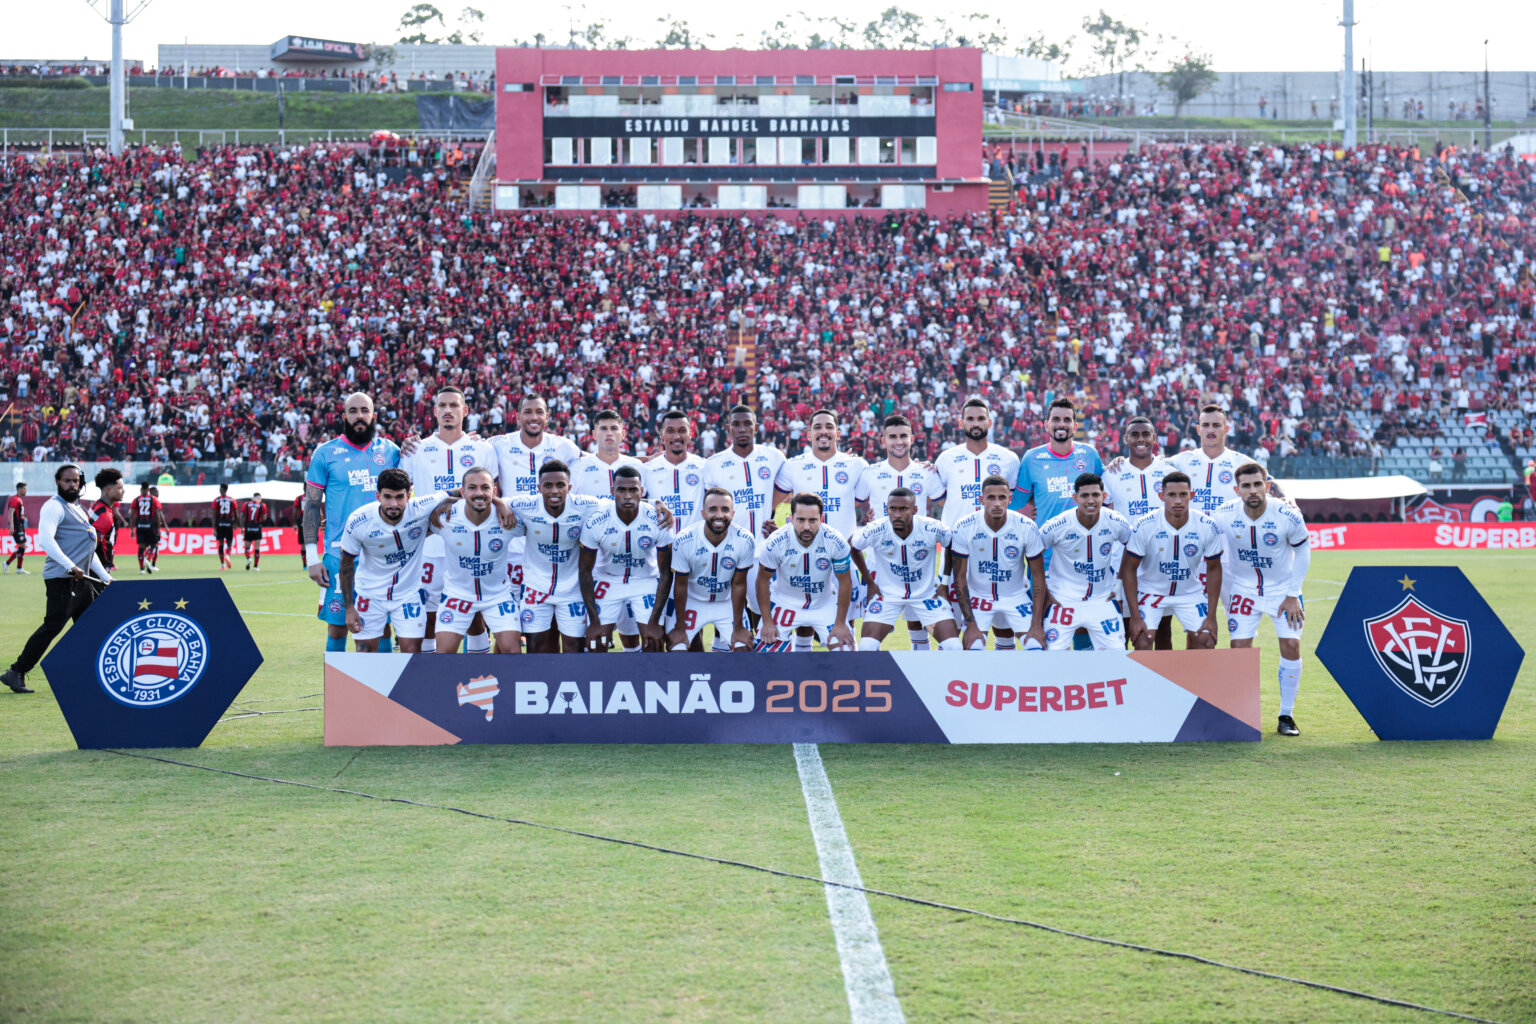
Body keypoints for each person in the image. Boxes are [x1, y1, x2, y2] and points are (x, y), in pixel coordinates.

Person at [1214, 462, 1312, 736]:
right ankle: (1242, 715)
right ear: (1237, 490)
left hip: (1283, 592)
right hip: (1244, 590)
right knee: (1239, 648)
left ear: (1267, 486)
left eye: (1258, 484)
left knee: (1291, 645)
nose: (1253, 490)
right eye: (1246, 486)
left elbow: (1303, 551)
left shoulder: (1287, 514)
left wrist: (1293, 594)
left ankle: (1286, 715)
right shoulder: (1224, 514)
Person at [400, 386, 498, 654]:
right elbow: (403, 498)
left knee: (473, 615)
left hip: (472, 544)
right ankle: (433, 674)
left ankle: (478, 673)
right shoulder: (416, 449)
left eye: (454, 405)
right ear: (434, 411)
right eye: (442, 405)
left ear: (464, 411)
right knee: (429, 616)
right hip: (430, 546)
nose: (448, 410)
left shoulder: (483, 449)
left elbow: (494, 493)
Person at [304, 392, 402, 654]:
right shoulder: (325, 453)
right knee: (337, 627)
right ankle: (337, 681)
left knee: (382, 627)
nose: (360, 416)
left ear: (374, 416)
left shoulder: (391, 452)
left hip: (382, 555)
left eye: (365, 411)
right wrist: (312, 557)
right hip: (339, 554)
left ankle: (383, 680)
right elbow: (311, 506)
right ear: (344, 416)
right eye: (353, 411)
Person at [2, 465, 114, 695]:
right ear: (57, 481)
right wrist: (70, 566)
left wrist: (105, 576)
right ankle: (16, 671)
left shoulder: (78, 508)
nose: (72, 485)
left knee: (92, 627)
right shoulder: (54, 506)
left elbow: (88, 550)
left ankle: (90, 674)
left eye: (76, 481)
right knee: (53, 626)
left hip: (82, 581)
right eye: (67, 481)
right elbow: (46, 540)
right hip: (62, 579)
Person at [338, 468, 451, 653]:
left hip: (408, 593)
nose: (393, 504)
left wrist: (497, 502)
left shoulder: (421, 507)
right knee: (364, 651)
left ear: (408, 495)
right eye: (387, 497)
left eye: (399, 497)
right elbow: (346, 563)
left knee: (412, 651)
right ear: (378, 496)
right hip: (370, 593)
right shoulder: (359, 520)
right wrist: (349, 608)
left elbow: (460, 493)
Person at [856, 414, 945, 649]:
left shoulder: (926, 472)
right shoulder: (870, 472)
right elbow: (850, 502)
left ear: (912, 439)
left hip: (918, 563)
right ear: (883, 440)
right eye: (892, 436)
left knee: (917, 625)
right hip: (880, 563)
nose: (898, 441)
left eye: (903, 436)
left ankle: (921, 669)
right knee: (873, 631)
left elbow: (948, 502)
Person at [771, 409, 869, 619]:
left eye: (829, 427)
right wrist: (770, 527)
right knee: (804, 623)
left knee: (846, 622)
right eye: (817, 427)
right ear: (809, 434)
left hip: (844, 558)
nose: (823, 431)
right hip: (803, 558)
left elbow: (864, 502)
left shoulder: (857, 465)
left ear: (838, 433)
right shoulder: (793, 466)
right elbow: (769, 503)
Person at [491, 393, 581, 608]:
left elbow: (598, 459)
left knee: (548, 604)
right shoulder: (498, 444)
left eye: (539, 412)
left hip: (549, 540)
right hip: (512, 539)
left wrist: (645, 459)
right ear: (517, 417)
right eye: (528, 412)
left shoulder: (564, 446)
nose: (534, 417)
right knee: (509, 605)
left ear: (547, 417)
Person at [508, 460, 605, 653]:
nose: (554, 491)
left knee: (574, 649)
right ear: (539, 488)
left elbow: (620, 503)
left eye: (560, 485)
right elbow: (486, 499)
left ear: (569, 487)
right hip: (536, 588)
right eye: (548, 485)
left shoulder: (585, 504)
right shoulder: (525, 504)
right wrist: (498, 504)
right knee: (536, 649)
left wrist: (654, 504)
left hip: (572, 589)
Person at [1119, 472, 1224, 650]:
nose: (1178, 501)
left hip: (1189, 593)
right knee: (1142, 641)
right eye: (1172, 495)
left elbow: (1214, 568)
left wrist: (1212, 616)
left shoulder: (1206, 525)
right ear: (1162, 496)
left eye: (1183, 495)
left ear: (1191, 495)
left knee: (1206, 640)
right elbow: (1129, 569)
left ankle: (1190, 670)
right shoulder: (1145, 525)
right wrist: (1135, 617)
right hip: (1151, 591)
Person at [702, 404, 786, 627]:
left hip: (762, 550)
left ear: (756, 428)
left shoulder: (774, 457)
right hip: (728, 550)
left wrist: (770, 511)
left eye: (747, 424)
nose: (742, 429)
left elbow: (790, 484)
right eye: (736, 424)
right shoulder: (713, 464)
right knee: (726, 613)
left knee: (764, 610)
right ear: (728, 428)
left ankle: (762, 644)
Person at [849, 488, 962, 651]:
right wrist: (870, 582)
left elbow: (951, 544)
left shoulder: (931, 527)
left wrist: (944, 583)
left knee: (954, 647)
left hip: (926, 596)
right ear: (887, 509)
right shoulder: (876, 529)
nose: (897, 514)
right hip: (887, 597)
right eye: (892, 509)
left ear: (914, 510)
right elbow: (853, 546)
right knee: (867, 647)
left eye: (903, 509)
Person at [428, 466, 522, 654]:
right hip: (457, 594)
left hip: (498, 596)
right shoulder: (444, 517)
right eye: (472, 488)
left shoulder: (508, 518)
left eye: (485, 487)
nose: (479, 493)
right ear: (462, 492)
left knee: (513, 652)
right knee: (443, 655)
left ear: (494, 491)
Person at [578, 464, 673, 652]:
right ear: (612, 491)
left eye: (633, 490)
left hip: (645, 579)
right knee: (596, 642)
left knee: (653, 642)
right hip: (607, 579)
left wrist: (654, 622)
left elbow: (665, 572)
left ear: (641, 492)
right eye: (621, 490)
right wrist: (594, 621)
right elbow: (584, 570)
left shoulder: (658, 518)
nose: (627, 496)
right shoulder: (596, 521)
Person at [948, 475, 1047, 651]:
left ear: (1010, 499)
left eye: (1002, 497)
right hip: (979, 597)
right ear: (981, 500)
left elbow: (1038, 577)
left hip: (1016, 596)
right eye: (991, 498)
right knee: (974, 647)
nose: (997, 503)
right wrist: (971, 625)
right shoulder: (964, 526)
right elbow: (960, 577)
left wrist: (1037, 624)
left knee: (1035, 646)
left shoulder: (1026, 526)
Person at [1037, 474, 1133, 651]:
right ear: (1075, 498)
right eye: (1084, 496)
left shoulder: (1116, 521)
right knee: (1053, 653)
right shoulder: (1058, 525)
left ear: (1104, 496)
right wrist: (1046, 591)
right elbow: (1033, 553)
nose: (1090, 500)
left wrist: (1119, 583)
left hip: (1102, 599)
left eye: (1095, 495)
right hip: (1063, 600)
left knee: (1117, 653)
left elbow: (1133, 546)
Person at [1103, 415, 1175, 648]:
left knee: (1163, 631)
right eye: (1134, 435)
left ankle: (1161, 673)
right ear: (1126, 439)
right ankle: (1124, 673)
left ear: (1154, 437)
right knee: (1122, 631)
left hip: (1160, 560)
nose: (1140, 439)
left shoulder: (1168, 471)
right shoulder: (1112, 473)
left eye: (1146, 434)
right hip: (1122, 561)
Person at [755, 492, 855, 653]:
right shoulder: (775, 542)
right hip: (784, 603)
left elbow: (845, 581)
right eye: (801, 520)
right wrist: (767, 622)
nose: (806, 527)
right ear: (791, 518)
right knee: (766, 660)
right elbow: (762, 580)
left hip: (824, 604)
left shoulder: (836, 541)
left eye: (813, 520)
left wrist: (841, 623)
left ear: (822, 519)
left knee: (848, 655)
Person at [666, 487, 756, 652]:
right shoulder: (684, 539)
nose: (719, 515)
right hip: (692, 601)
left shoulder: (745, 539)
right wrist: (679, 627)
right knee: (677, 649)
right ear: (703, 513)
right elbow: (680, 585)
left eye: (725, 510)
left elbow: (739, 584)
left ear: (733, 514)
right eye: (713, 509)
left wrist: (738, 627)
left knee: (744, 648)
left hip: (726, 602)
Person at [934, 397, 1019, 529]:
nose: (976, 424)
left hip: (995, 536)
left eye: (981, 419)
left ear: (989, 423)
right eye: (970, 419)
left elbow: (1014, 498)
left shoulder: (1009, 458)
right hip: (955, 537)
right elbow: (936, 497)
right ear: (961, 423)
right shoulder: (945, 459)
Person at [1168, 405, 1253, 516]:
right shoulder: (1180, 461)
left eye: (1216, 425)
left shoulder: (1242, 463)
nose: (1211, 430)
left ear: (1226, 429)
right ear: (1198, 430)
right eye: (1205, 425)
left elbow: (1268, 487)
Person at [642, 408, 708, 530]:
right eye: (670, 431)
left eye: (682, 431)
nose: (677, 436)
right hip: (659, 541)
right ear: (661, 434)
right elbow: (632, 503)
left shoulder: (703, 466)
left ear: (690, 434)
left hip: (694, 541)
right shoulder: (647, 469)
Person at [569, 408, 644, 498]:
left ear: (623, 434)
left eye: (614, 428)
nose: (609, 433)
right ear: (594, 434)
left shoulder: (636, 466)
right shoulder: (578, 466)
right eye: (604, 428)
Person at [88, 467, 126, 573]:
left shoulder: (96, 505)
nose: (123, 491)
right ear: (109, 490)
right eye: (120, 488)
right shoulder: (104, 516)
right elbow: (91, 547)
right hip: (97, 571)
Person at [131, 482, 167, 573]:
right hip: (151, 526)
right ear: (148, 490)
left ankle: (142, 569)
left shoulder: (136, 500)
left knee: (141, 547)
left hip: (140, 526)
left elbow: (132, 515)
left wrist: (132, 529)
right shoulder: (154, 500)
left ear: (141, 489)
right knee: (154, 545)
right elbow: (157, 514)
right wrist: (158, 528)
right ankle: (148, 560)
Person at [212, 483, 238, 570]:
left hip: (220, 523)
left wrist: (214, 528)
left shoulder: (216, 500)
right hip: (229, 522)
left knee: (221, 544)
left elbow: (214, 515)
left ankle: (222, 565)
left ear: (222, 489)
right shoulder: (232, 500)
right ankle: (228, 556)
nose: (219, 490)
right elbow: (236, 514)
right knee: (229, 542)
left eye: (220, 488)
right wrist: (235, 523)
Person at [240, 492, 269, 570]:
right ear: (259, 498)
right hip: (257, 528)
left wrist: (242, 527)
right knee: (257, 548)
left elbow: (241, 516)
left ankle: (249, 558)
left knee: (247, 548)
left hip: (248, 528)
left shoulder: (246, 504)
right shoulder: (263, 505)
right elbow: (264, 518)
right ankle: (256, 567)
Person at [4, 482, 28, 574]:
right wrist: (12, 526)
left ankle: (18, 568)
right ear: (19, 489)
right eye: (25, 489)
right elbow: (11, 512)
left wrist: (23, 517)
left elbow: (18, 513)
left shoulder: (19, 499)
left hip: (20, 526)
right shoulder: (15, 499)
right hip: (17, 527)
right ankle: (7, 564)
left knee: (22, 546)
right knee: (22, 546)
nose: (26, 491)